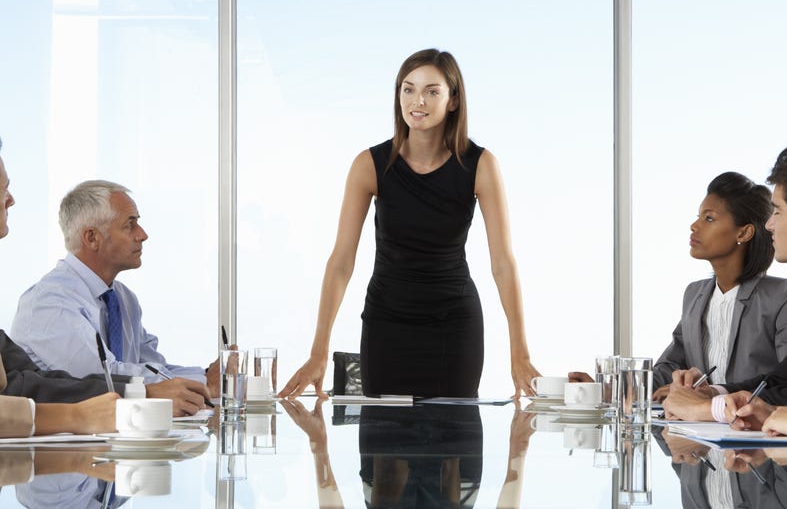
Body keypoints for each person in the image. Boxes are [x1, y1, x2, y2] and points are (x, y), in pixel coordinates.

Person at [280, 49, 540, 399]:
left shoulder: (481, 165)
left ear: (453, 100)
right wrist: (318, 353)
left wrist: (520, 355)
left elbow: (503, 264)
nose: (418, 101)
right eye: (408, 89)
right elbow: (340, 263)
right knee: (383, 432)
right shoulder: (369, 165)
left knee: (455, 431)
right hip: (386, 325)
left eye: (432, 91)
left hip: (454, 327)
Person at [10, 179, 217, 413]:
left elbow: (155, 369)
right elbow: (105, 379)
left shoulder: (123, 298)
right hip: (65, 433)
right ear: (92, 238)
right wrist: (204, 383)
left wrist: (208, 376)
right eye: (130, 225)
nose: (143, 235)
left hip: (118, 427)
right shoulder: (49, 303)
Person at [663, 146, 787, 432]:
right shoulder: (695, 295)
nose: (769, 224)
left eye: (778, 211)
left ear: (743, 232)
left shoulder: (783, 295)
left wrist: (711, 407)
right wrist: (714, 393)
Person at [0, 137, 117, 436]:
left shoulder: (123, 299)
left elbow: (29, 381)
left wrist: (140, 392)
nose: (11, 200)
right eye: (2, 189)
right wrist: (76, 416)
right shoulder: (49, 299)